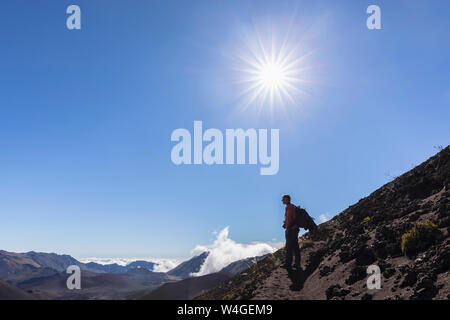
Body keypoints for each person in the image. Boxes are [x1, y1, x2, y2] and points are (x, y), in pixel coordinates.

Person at [281, 194, 301, 270]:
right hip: (293, 229)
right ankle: (297, 264)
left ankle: (288, 264)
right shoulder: (290, 207)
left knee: (289, 247)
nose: (282, 201)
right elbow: (290, 218)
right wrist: (285, 224)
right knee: (295, 247)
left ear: (287, 199)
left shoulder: (290, 207)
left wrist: (288, 227)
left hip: (291, 230)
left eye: (283, 199)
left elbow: (291, 219)